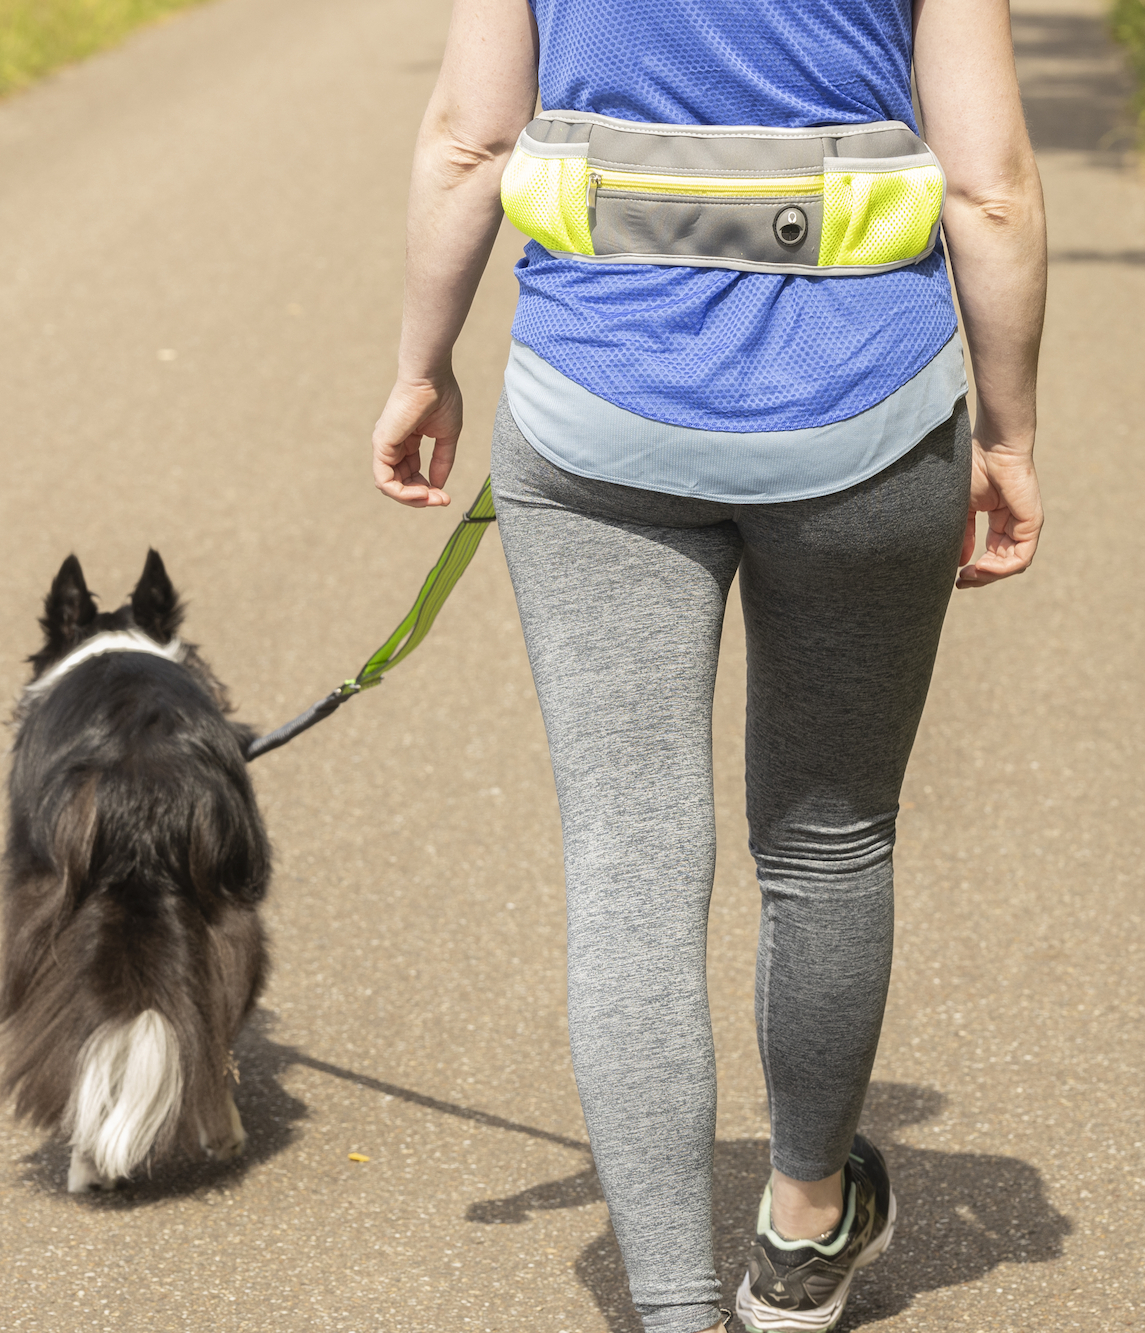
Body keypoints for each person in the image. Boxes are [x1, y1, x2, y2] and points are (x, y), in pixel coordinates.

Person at [370, 0, 1045, 1328]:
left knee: (628, 859)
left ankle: (674, 1307)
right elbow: (992, 188)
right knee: (832, 838)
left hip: (594, 410)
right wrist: (1011, 429)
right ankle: (802, 1230)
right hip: (869, 408)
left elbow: (468, 138)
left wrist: (422, 365)